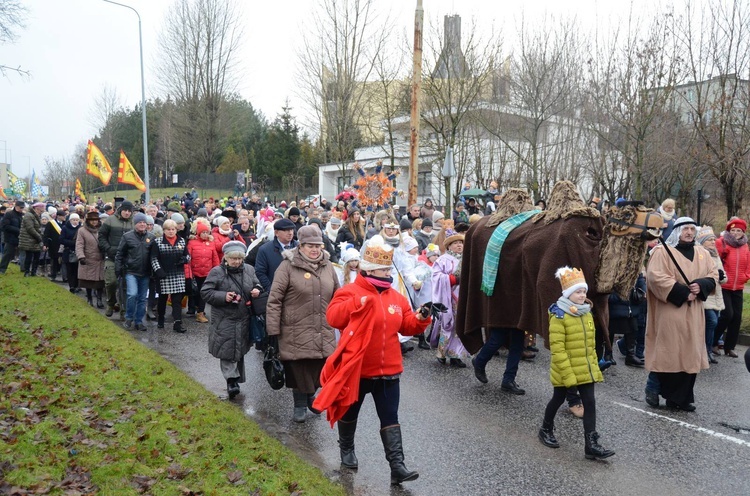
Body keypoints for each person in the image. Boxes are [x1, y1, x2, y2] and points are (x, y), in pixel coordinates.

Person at [312, 235, 431, 484]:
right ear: (367, 268)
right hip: (358, 370)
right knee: (349, 411)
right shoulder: (350, 290)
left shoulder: (396, 297)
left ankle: (397, 467)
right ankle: (347, 450)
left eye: (388, 268)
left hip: (389, 371)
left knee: (390, 418)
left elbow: (406, 326)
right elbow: (333, 317)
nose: (386, 272)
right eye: (381, 268)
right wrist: (357, 302)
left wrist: (421, 318)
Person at [538, 266, 614, 460]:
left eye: (584, 292)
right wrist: (569, 375)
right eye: (578, 292)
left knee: (590, 402)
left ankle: (591, 444)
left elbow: (589, 346)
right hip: (566, 369)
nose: (582, 295)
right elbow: (558, 349)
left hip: (585, 369)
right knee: (558, 398)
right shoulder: (559, 316)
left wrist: (594, 367)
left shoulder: (586, 313)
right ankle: (545, 428)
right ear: (569, 294)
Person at [266, 225, 339, 423]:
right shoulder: (287, 266)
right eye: (310, 246)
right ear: (301, 246)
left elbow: (338, 297)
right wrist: (273, 330)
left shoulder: (328, 266)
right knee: (300, 368)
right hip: (295, 328)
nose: (315, 249)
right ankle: (300, 404)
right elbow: (274, 300)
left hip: (322, 327)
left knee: (320, 366)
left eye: (318, 245)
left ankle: (310, 397)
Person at [644, 217, 717, 411]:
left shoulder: (702, 252)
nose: (689, 233)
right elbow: (655, 276)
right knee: (667, 353)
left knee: (689, 354)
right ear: (677, 231)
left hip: (694, 313)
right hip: (671, 309)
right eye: (685, 229)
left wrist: (701, 285)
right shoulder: (662, 252)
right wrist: (684, 292)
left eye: (693, 230)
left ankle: (680, 398)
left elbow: (713, 274)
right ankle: (653, 387)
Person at [201, 241, 262, 398]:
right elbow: (206, 292)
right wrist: (223, 296)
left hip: (244, 318)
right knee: (227, 349)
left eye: (239, 258)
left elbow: (257, 284)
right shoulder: (217, 272)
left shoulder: (249, 269)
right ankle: (231, 381)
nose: (236, 262)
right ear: (226, 258)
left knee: (239, 349)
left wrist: (257, 290)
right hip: (224, 318)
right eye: (233, 258)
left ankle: (236, 378)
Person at [713, 217, 750, 358]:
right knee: (727, 315)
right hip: (725, 285)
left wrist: (746, 275)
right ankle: (714, 342)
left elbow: (748, 263)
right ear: (728, 230)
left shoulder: (745, 246)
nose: (735, 233)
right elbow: (715, 260)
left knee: (737, 317)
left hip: (739, 285)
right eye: (732, 230)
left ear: (743, 232)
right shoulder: (721, 243)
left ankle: (730, 347)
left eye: (738, 230)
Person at [431, 230, 469, 367]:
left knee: (460, 327)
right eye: (455, 243)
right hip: (448, 297)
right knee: (448, 325)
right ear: (449, 246)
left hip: (464, 297)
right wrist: (452, 279)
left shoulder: (468, 259)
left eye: (461, 243)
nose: (459, 245)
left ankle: (455, 354)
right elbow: (435, 277)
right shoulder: (442, 260)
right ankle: (441, 352)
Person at [115, 212, 155, 332]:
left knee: (142, 298)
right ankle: (129, 318)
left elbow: (154, 255)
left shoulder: (151, 237)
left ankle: (139, 321)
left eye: (144, 222)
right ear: (135, 224)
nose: (142, 224)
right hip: (131, 271)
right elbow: (119, 254)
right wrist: (118, 269)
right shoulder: (127, 237)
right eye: (140, 222)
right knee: (132, 294)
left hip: (145, 273)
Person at [151, 219, 189, 333]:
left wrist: (185, 259)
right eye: (168, 230)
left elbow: (187, 255)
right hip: (163, 274)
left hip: (178, 274)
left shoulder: (181, 241)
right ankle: (161, 319)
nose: (171, 232)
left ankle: (177, 323)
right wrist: (159, 271)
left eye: (173, 229)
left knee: (177, 300)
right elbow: (153, 258)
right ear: (164, 230)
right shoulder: (157, 242)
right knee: (162, 299)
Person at [696, 226, 727, 364]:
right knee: (712, 322)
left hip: (717, 295)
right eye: (709, 240)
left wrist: (721, 276)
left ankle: (706, 349)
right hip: (706, 295)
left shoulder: (715, 254)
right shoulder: (699, 254)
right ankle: (706, 350)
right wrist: (711, 277)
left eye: (714, 239)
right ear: (702, 241)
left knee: (713, 323)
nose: (713, 242)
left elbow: (724, 277)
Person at [99, 201, 134, 319]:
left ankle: (123, 310)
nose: (127, 213)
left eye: (129, 211)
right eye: (125, 210)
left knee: (124, 285)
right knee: (111, 282)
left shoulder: (134, 222)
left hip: (127, 258)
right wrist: (108, 248)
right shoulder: (110, 220)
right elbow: (101, 236)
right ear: (120, 209)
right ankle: (110, 303)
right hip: (111, 256)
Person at [188, 221, 220, 323]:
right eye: (203, 232)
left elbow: (214, 257)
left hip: (207, 272)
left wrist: (217, 270)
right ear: (199, 233)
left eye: (207, 232)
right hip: (195, 272)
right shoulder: (192, 243)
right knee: (195, 292)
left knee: (204, 293)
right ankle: (197, 308)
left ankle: (200, 313)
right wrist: (189, 271)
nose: (206, 234)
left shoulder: (211, 243)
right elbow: (188, 258)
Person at [255, 218, 297, 291]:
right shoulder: (265, 249)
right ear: (276, 233)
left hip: (296, 293)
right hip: (276, 292)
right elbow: (260, 272)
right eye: (286, 230)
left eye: (291, 230)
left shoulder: (300, 247)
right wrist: (270, 289)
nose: (290, 233)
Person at [75, 211, 105, 308]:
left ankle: (99, 300)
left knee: (100, 281)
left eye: (96, 220)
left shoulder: (102, 230)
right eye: (92, 220)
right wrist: (81, 256)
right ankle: (89, 298)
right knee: (88, 281)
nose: (94, 222)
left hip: (101, 259)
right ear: (88, 221)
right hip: (88, 258)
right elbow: (79, 244)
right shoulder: (82, 231)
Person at [19, 202, 46, 277]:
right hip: (29, 239)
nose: (42, 212)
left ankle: (33, 272)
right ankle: (27, 272)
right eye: (41, 210)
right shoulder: (29, 215)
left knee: (37, 256)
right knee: (29, 256)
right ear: (37, 208)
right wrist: (39, 237)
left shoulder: (36, 215)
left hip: (35, 239)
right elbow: (30, 228)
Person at [0, 201, 25, 275]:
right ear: (16, 206)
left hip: (20, 237)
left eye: (23, 207)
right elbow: (4, 226)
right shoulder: (9, 214)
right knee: (7, 254)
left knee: (23, 253)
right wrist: (18, 230)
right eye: (21, 207)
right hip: (10, 238)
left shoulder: (21, 215)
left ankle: (23, 269)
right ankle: (2, 269)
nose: (22, 209)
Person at [59, 213, 81, 293]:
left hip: (78, 251)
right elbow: (61, 239)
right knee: (70, 269)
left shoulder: (80, 228)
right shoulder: (65, 228)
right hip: (68, 251)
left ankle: (77, 285)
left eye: (77, 220)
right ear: (70, 220)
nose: (75, 222)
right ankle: (71, 285)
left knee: (77, 269)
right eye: (73, 220)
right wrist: (72, 243)